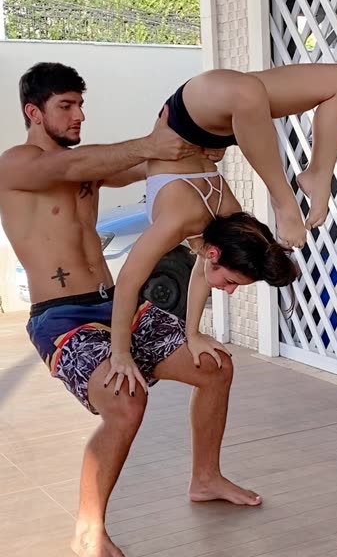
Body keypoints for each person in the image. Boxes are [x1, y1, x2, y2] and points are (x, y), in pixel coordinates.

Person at [0, 62, 264, 557]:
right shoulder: (17, 165)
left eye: (81, 105)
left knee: (216, 367)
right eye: (66, 106)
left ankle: (206, 478)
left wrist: (197, 145)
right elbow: (81, 164)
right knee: (125, 401)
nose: (79, 115)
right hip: (62, 316)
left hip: (118, 303)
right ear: (33, 112)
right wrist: (152, 143)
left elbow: (148, 164)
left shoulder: (90, 166)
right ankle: (88, 529)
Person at [107, 135, 299, 391]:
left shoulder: (232, 223)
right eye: (231, 282)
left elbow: (202, 273)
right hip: (174, 132)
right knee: (88, 175)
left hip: (184, 152)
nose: (229, 291)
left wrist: (193, 333)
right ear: (214, 255)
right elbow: (128, 281)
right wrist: (121, 354)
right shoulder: (177, 221)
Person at [159, 63, 337, 248]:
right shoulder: (220, 226)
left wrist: (149, 147)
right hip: (229, 113)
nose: (228, 289)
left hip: (184, 121)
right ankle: (314, 178)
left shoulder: (172, 223)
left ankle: (290, 194)